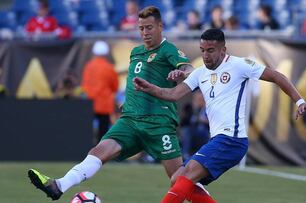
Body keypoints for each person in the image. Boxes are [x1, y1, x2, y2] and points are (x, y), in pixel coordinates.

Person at [27, 6, 215, 203]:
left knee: (179, 177)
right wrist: (129, 103)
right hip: (130, 121)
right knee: (98, 152)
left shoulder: (168, 50)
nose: (145, 32)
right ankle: (58, 185)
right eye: (141, 28)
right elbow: (135, 82)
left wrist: (182, 73)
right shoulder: (136, 52)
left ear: (161, 26)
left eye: (149, 27)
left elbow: (189, 68)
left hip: (158, 124)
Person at [133, 28, 306, 203]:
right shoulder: (200, 73)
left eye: (210, 50)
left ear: (223, 49)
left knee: (185, 176)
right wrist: (149, 88)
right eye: (202, 50)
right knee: (177, 178)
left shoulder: (239, 65)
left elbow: (276, 76)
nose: (205, 55)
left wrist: (299, 101)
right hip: (218, 140)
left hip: (232, 139)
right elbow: (173, 94)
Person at [81, 40, 119, 143]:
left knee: (86, 133)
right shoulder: (109, 67)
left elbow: (84, 84)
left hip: (89, 103)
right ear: (106, 53)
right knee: (103, 133)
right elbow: (115, 87)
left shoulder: (88, 66)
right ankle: (100, 154)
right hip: (104, 104)